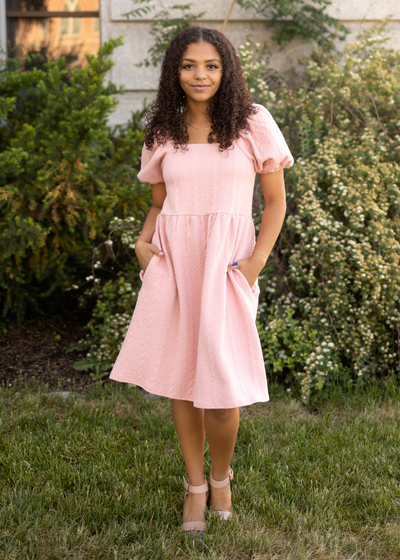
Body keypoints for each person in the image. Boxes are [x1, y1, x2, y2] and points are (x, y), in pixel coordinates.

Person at [109, 26, 294, 535]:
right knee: (182, 380)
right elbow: (159, 203)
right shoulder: (162, 129)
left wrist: (255, 262)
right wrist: (143, 247)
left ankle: (221, 476)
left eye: (211, 65)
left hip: (228, 267)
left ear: (226, 70)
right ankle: (194, 485)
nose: (200, 75)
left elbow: (275, 202)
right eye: (190, 65)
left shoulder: (253, 123)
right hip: (174, 264)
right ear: (175, 70)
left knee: (222, 388)